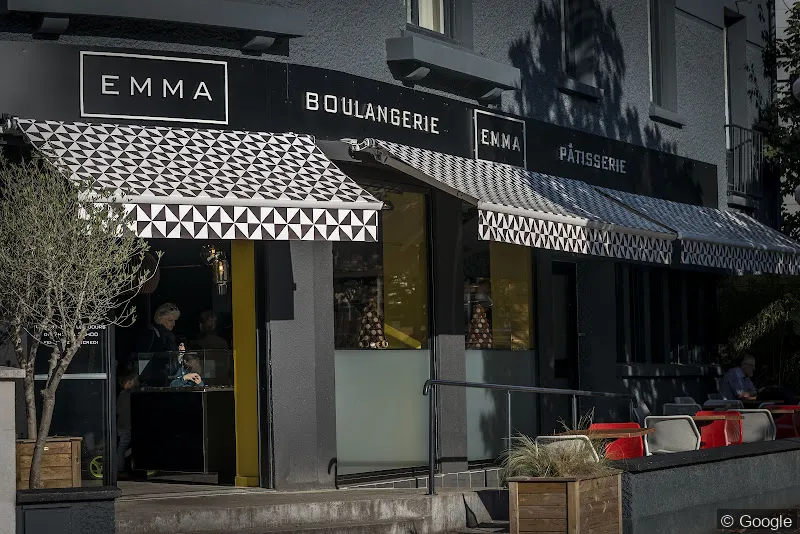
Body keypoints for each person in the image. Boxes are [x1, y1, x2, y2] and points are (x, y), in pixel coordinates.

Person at [720, 355, 798, 404]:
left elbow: (753, 391)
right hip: (731, 407)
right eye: (752, 366)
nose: (754, 369)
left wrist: (761, 391)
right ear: (744, 366)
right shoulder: (735, 373)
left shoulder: (746, 377)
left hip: (743, 404)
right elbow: (741, 395)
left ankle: (793, 401)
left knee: (779, 392)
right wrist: (758, 391)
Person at [116, 369, 137, 478]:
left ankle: (121, 465)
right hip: (126, 426)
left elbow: (118, 410)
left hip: (122, 426)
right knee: (122, 447)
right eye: (134, 381)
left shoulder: (121, 394)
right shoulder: (128, 395)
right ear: (129, 382)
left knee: (123, 446)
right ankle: (119, 468)